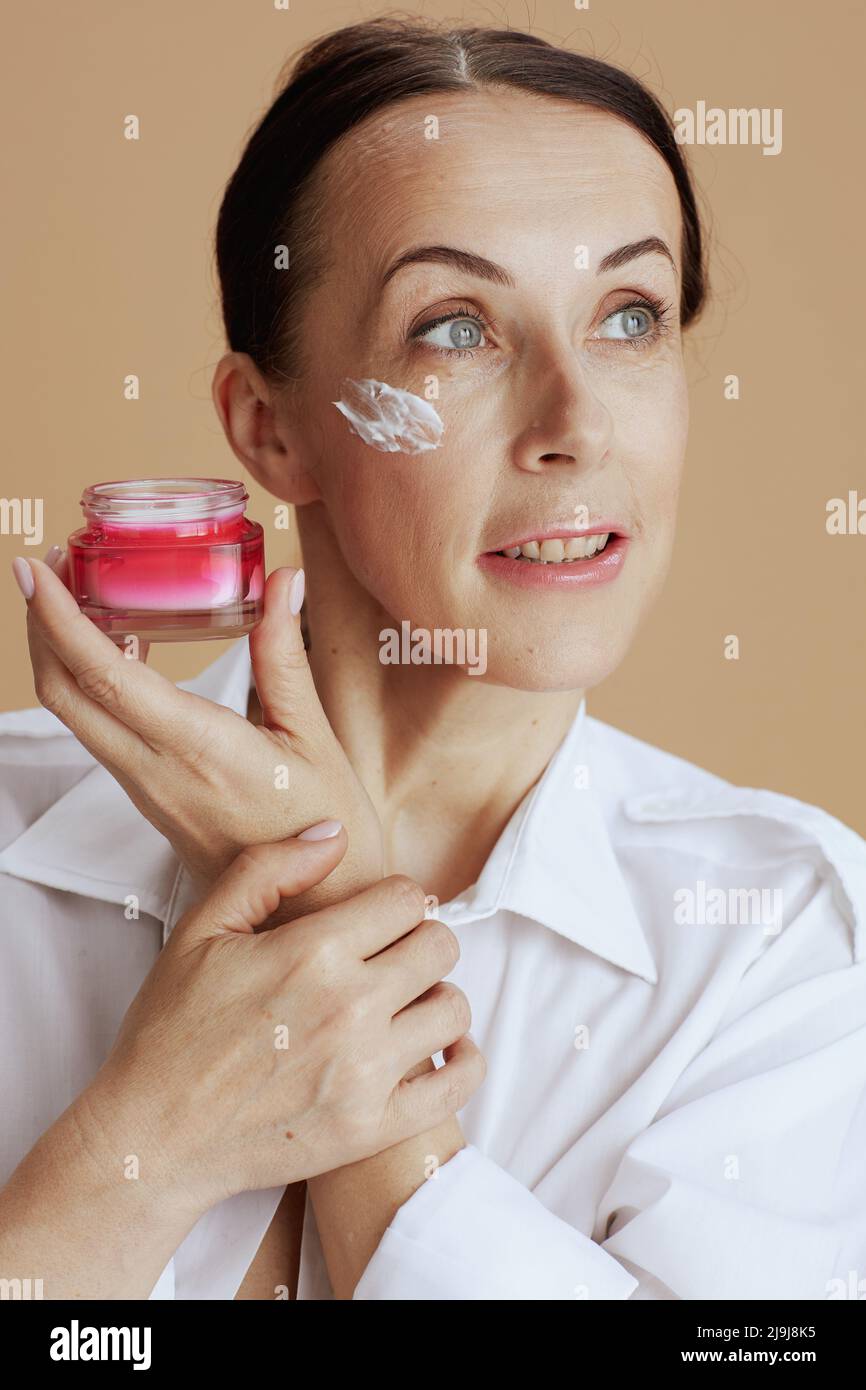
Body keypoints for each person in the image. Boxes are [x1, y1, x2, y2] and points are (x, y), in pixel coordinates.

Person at [1, 17, 864, 1301]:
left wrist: (324, 908)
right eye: (455, 328)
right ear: (269, 427)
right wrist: (143, 1143)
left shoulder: (783, 937)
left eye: (629, 315)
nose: (576, 425)